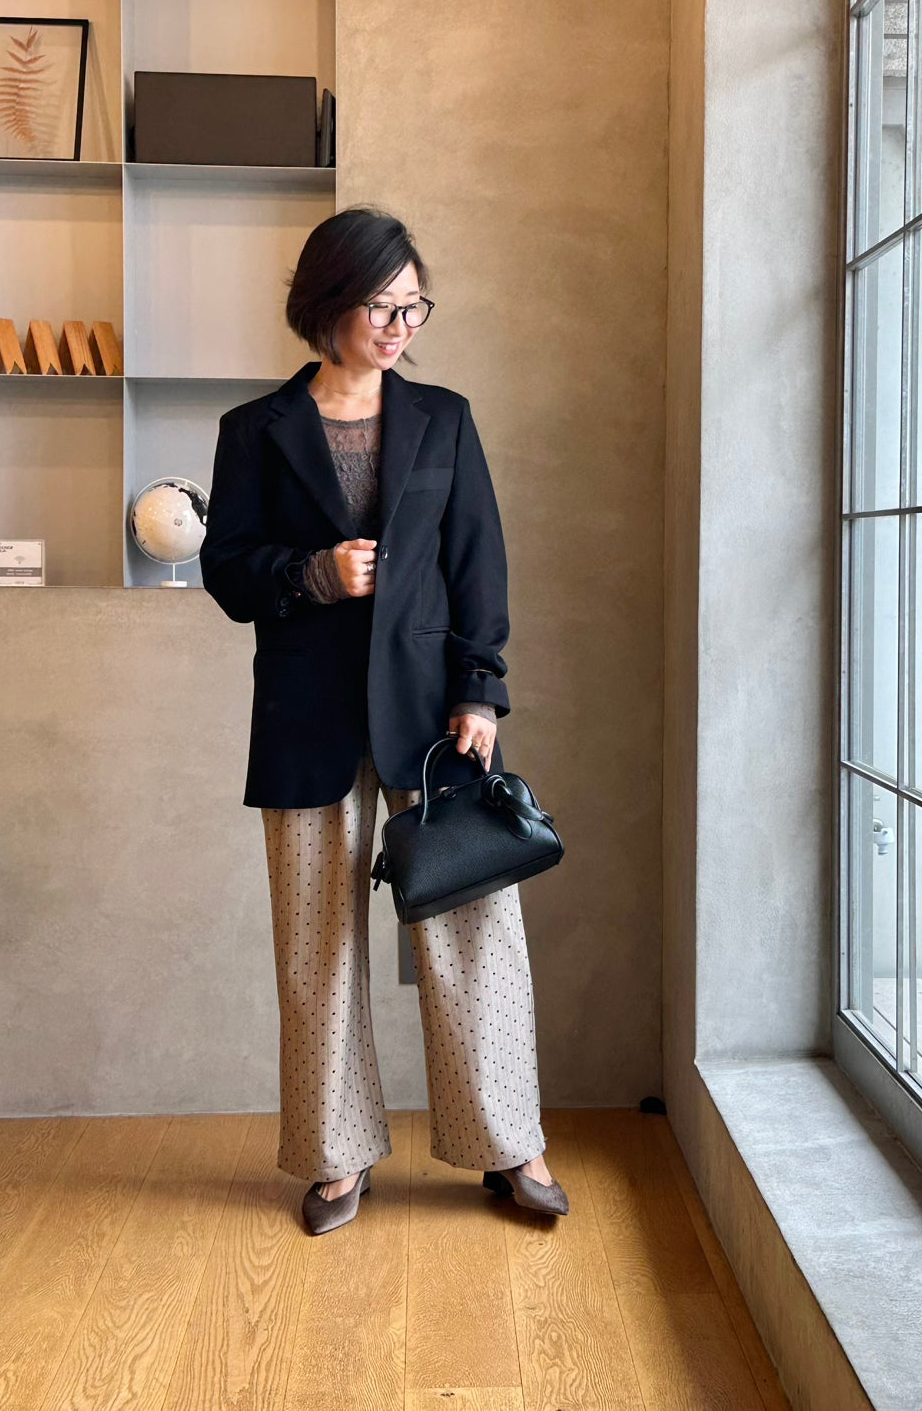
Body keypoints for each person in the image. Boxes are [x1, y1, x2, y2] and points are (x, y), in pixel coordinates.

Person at [199, 205, 568, 1234]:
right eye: (383, 306)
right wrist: (313, 573)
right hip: (306, 719)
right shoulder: (255, 431)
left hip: (431, 717)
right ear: (329, 305)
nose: (403, 325)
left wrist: (479, 689)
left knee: (475, 936)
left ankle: (510, 1144)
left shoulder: (444, 419)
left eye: (415, 306)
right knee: (315, 949)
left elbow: (477, 562)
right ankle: (335, 1156)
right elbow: (228, 571)